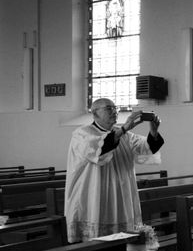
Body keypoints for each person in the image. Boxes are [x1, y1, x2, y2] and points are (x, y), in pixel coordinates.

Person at [64, 98, 164, 243]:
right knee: (94, 243)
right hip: (93, 195)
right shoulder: (82, 133)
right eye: (108, 108)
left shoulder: (125, 136)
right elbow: (101, 149)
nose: (114, 111)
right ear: (95, 113)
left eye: (114, 108)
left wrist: (154, 131)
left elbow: (148, 148)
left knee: (119, 243)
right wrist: (124, 129)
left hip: (119, 196)